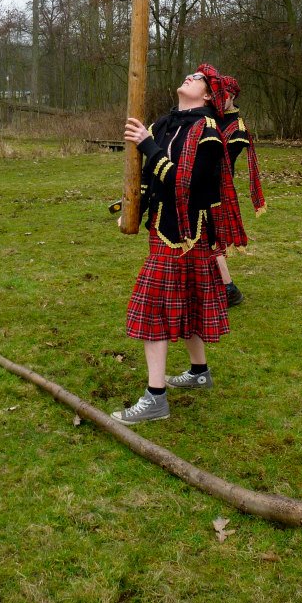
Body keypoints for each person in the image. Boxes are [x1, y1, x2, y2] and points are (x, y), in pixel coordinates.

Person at [111, 68, 246, 426]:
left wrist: (147, 145)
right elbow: (148, 177)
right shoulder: (164, 123)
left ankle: (155, 397)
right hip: (162, 227)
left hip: (188, 233)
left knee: (153, 311)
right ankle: (199, 372)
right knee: (189, 300)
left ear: (208, 96)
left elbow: (184, 185)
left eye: (198, 78)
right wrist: (133, 207)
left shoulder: (209, 133)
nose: (189, 76)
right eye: (189, 73)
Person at [209, 70, 266, 307]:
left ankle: (229, 288)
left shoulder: (238, 129)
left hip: (217, 188)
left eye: (223, 95)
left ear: (232, 96)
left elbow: (218, 160)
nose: (218, 99)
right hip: (202, 183)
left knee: (209, 237)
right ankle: (219, 286)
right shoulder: (209, 116)